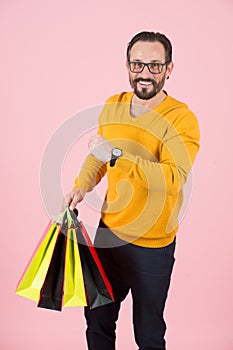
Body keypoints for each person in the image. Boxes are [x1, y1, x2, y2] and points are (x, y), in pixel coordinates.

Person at [65, 31, 200, 350]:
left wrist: (118, 156)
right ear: (127, 65)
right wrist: (80, 186)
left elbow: (172, 177)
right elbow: (98, 158)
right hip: (109, 234)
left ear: (169, 68)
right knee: (97, 322)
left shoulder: (181, 119)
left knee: (148, 334)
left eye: (155, 66)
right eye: (138, 64)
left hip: (153, 243)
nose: (145, 73)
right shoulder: (113, 105)